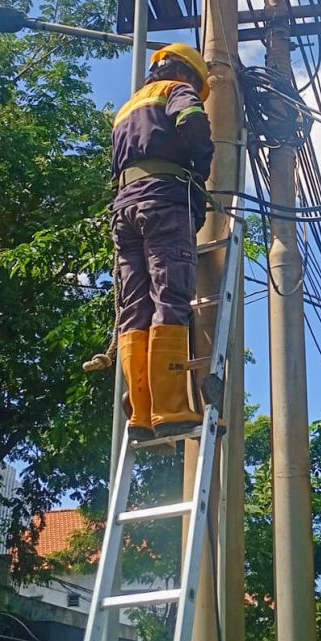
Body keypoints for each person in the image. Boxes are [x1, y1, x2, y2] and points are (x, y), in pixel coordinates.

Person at [110, 43, 214, 440]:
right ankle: (170, 409)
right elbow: (192, 123)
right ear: (187, 73)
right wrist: (201, 169)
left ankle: (140, 412)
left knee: (135, 307)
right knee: (170, 297)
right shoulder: (177, 91)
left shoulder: (128, 107)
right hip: (164, 201)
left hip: (124, 208)